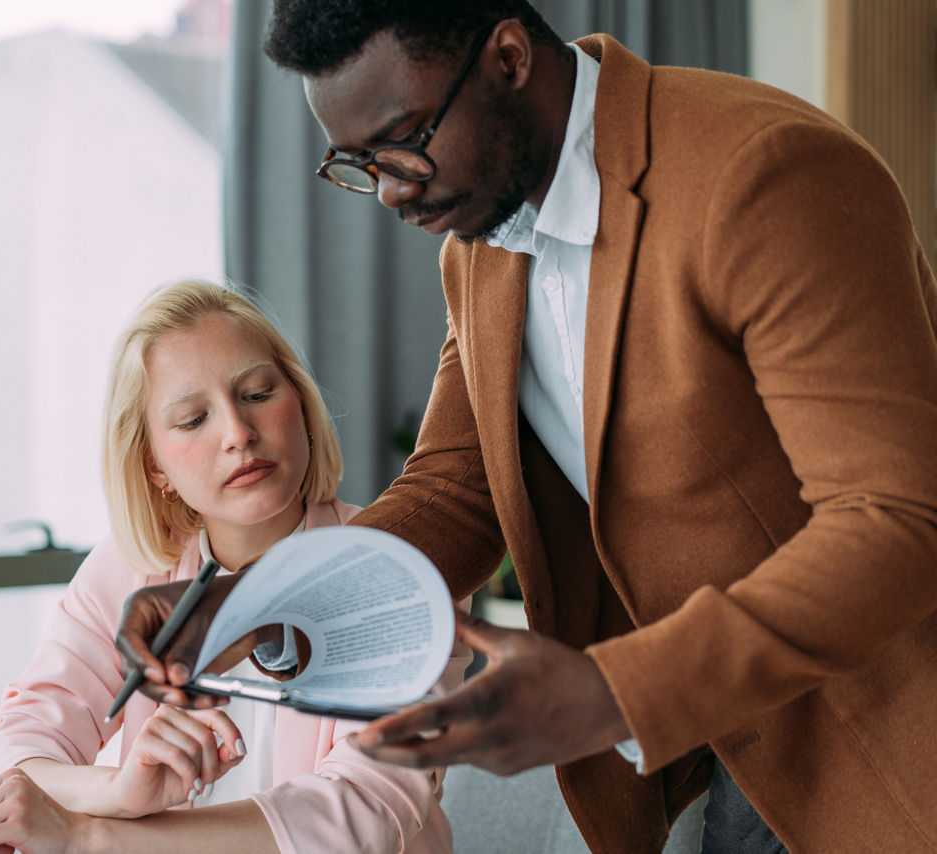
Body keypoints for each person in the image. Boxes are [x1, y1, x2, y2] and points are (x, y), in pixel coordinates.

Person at [114, 3, 937, 852]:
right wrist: (250, 602)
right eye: (359, 164)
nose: (392, 191)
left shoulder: (764, 174)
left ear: (508, 58)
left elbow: (899, 520)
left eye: (405, 139)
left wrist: (610, 692)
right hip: (731, 748)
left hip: (880, 736)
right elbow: (453, 491)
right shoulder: (479, 248)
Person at [0, 279, 467, 854]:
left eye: (258, 393)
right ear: (154, 467)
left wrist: (94, 835)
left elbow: (362, 814)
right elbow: (6, 762)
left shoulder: (401, 563)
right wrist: (119, 791)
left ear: (301, 406)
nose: (238, 434)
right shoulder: (132, 569)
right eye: (194, 420)